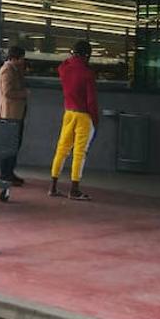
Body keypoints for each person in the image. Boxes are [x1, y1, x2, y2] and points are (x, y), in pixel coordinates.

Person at [49, 40, 98, 201]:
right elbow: (91, 100)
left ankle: (53, 187)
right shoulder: (87, 73)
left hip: (68, 113)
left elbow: (63, 64)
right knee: (79, 153)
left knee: (62, 150)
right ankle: (74, 189)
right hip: (83, 115)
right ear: (86, 55)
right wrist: (95, 119)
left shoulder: (64, 68)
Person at [0, 45, 30, 186]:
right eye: (21, 58)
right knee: (10, 145)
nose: (23, 61)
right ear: (15, 57)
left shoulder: (15, 69)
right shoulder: (7, 70)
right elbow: (7, 92)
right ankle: (5, 173)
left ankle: (9, 172)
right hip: (10, 114)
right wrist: (24, 93)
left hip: (15, 113)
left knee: (14, 145)